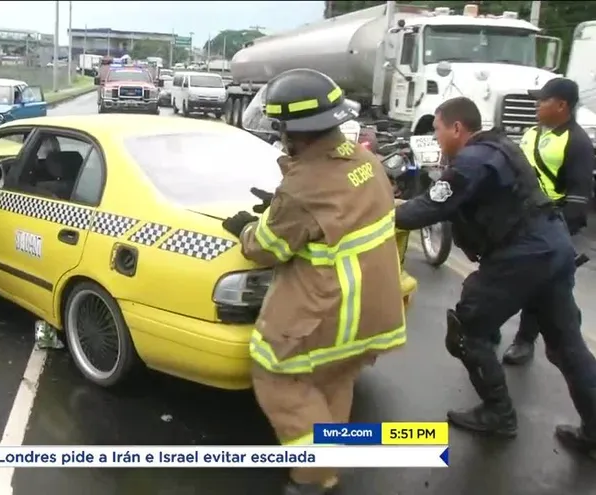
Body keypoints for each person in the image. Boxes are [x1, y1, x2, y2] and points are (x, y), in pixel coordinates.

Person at [223, 68, 407, 495]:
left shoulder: (303, 185)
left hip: (327, 312)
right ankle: (331, 464)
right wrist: (284, 206)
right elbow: (337, 209)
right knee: (333, 380)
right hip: (375, 309)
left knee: (277, 376)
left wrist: (246, 228)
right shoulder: (366, 162)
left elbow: (266, 247)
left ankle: (312, 476)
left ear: (292, 132)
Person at [394, 96, 596, 456]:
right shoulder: (500, 146)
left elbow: (427, 208)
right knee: (568, 346)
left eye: (438, 129)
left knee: (468, 332)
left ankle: (498, 414)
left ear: (457, 128)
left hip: (521, 255)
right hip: (553, 246)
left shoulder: (471, 161)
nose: (437, 136)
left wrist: (380, 211)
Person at [502, 77, 595, 365]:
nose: (536, 105)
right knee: (501, 275)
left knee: (540, 286)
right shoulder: (531, 132)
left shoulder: (577, 142)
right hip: (517, 218)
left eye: (542, 100)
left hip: (549, 224)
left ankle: (526, 340)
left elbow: (579, 198)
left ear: (561, 105)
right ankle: (485, 329)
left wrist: (556, 232)